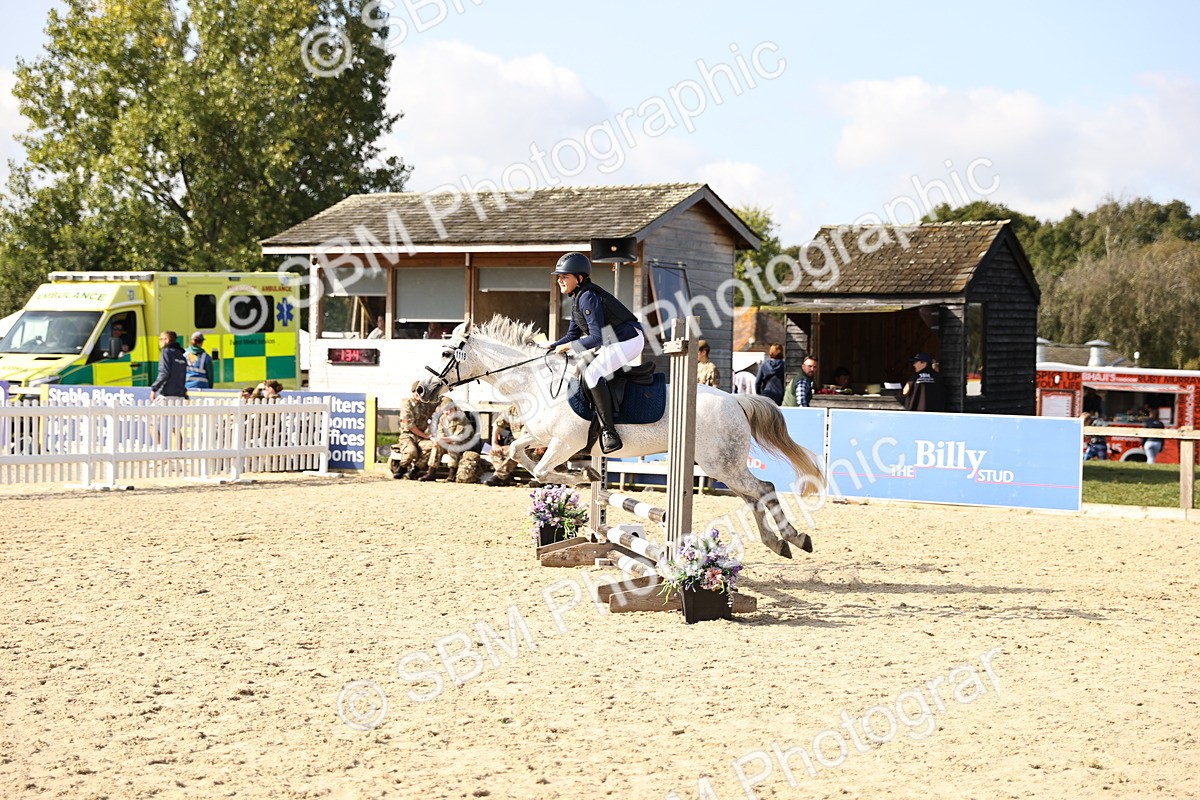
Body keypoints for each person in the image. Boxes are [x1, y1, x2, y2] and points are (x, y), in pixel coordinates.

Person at [546, 252, 645, 453]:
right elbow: (572, 335)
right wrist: (550, 346)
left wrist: (567, 347)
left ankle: (610, 432)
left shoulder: (588, 297)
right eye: (559, 277)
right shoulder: (577, 298)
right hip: (615, 341)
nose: (559, 280)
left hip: (629, 339)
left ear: (579, 278)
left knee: (592, 373)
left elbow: (596, 338)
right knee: (583, 370)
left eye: (564, 276)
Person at [390, 381, 440, 480]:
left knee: (432, 447)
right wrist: (426, 436)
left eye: (422, 392)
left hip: (421, 437)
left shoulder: (426, 405)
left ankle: (415, 470)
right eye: (417, 392)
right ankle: (402, 468)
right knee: (411, 451)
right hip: (408, 435)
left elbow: (440, 402)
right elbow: (409, 425)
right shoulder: (407, 403)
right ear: (413, 391)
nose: (419, 395)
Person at [429, 399, 483, 483]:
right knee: (436, 446)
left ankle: (452, 474)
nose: (448, 412)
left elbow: (459, 437)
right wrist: (440, 441)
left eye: (451, 409)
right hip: (449, 442)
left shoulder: (461, 418)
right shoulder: (443, 419)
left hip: (464, 444)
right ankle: (431, 472)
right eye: (446, 410)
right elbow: (441, 432)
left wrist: (442, 440)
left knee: (453, 445)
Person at [150, 330, 188, 401]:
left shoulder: (166, 352)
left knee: (151, 411)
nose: (159, 342)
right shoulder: (181, 355)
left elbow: (164, 373)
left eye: (161, 339)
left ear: (166, 340)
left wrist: (154, 389)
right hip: (180, 396)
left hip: (167, 394)